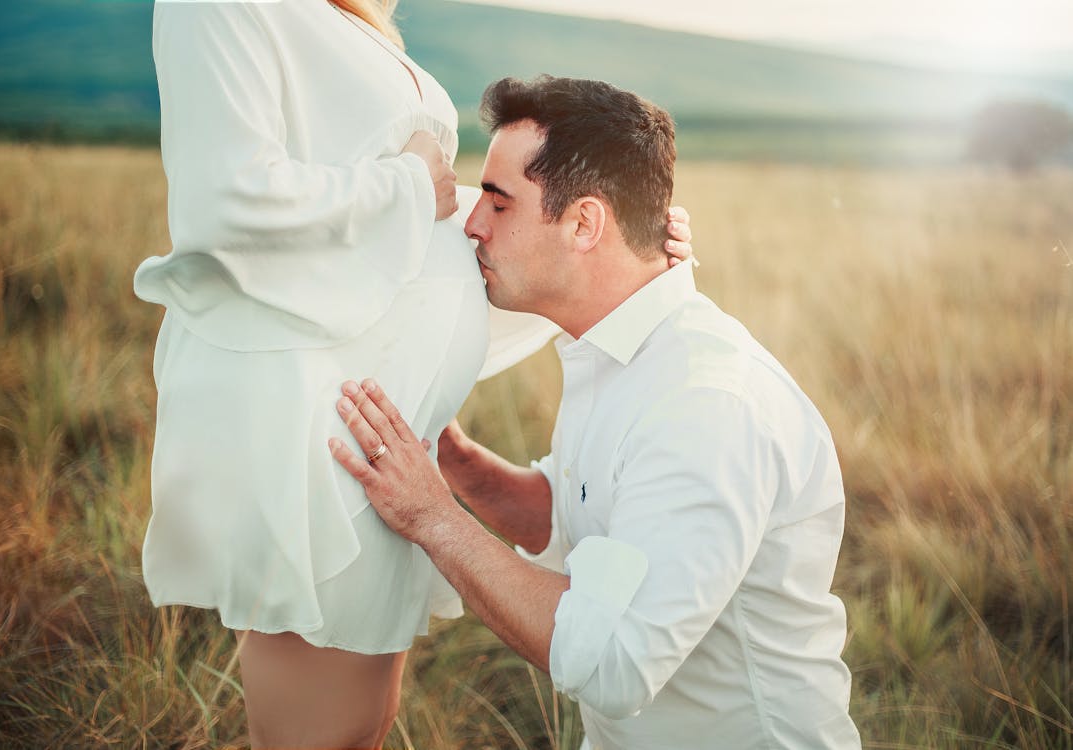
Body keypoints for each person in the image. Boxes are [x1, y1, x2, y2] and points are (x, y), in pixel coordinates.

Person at [132, 2, 692, 747]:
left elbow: (410, 251)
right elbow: (224, 201)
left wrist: (623, 252)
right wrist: (402, 185)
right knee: (320, 731)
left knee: (359, 721)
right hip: (318, 422)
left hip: (383, 425)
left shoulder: (349, 21)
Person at [330, 75, 862, 749]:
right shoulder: (612, 352)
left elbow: (612, 662)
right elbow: (584, 517)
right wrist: (454, 463)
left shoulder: (703, 404)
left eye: (497, 202)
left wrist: (431, 516)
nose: (471, 223)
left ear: (584, 223)